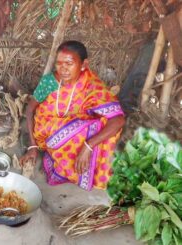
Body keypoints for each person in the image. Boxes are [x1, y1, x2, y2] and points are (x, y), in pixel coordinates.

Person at [19, 40, 125, 190]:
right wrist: (32, 146)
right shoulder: (49, 82)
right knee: (85, 128)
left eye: (69, 63)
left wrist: (88, 146)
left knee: (101, 125)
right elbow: (30, 110)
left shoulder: (91, 85)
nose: (63, 69)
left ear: (83, 65)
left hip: (73, 130)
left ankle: (85, 168)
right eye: (59, 63)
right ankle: (64, 165)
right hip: (47, 130)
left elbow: (119, 120)